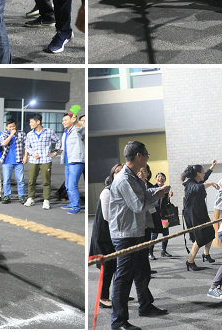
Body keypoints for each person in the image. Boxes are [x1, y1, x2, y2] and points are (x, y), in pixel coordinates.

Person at [109, 141, 170, 330]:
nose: (148, 158)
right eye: (146, 154)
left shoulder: (134, 177)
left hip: (137, 231)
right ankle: (118, 321)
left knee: (143, 271)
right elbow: (138, 205)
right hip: (125, 234)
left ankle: (145, 305)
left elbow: (143, 195)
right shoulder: (124, 179)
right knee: (124, 277)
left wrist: (157, 191)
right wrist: (158, 195)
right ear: (138, 156)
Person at [89, 164, 124, 309]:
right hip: (105, 234)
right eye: (117, 172)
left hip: (115, 233)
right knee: (107, 267)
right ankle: (103, 297)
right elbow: (107, 217)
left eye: (122, 172)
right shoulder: (107, 192)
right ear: (112, 175)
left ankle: (117, 293)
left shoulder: (121, 190)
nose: (120, 174)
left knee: (117, 266)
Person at [182, 161, 219, 270]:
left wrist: (212, 167)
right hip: (193, 214)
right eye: (202, 172)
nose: (204, 174)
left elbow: (205, 176)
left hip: (201, 212)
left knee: (211, 232)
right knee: (200, 237)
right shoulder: (190, 184)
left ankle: (206, 254)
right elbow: (198, 188)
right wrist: (211, 183)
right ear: (198, 174)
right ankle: (190, 261)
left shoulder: (198, 180)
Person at [23, 113, 59, 209]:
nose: (30, 124)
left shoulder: (49, 132)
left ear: (38, 122)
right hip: (33, 161)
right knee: (31, 181)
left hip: (46, 160)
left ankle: (46, 200)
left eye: (31, 122)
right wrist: (32, 153)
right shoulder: (29, 134)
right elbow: (27, 146)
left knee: (46, 181)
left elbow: (58, 141)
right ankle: (30, 198)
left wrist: (55, 153)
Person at [60, 112, 85, 214]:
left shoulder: (77, 130)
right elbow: (64, 147)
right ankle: (72, 203)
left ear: (72, 120)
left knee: (72, 185)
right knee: (67, 185)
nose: (63, 122)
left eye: (65, 120)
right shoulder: (65, 133)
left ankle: (76, 206)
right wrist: (56, 152)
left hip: (76, 161)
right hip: (67, 161)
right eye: (62, 120)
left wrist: (76, 123)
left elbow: (81, 129)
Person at [0, 118, 26, 204]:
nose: (12, 128)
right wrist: (11, 135)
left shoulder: (21, 133)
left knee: (20, 180)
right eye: (10, 127)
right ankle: (7, 196)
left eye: (13, 126)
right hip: (7, 161)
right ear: (7, 127)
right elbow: (4, 143)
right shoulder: (3, 134)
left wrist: (25, 156)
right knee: (6, 180)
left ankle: (22, 196)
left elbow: (26, 146)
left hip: (18, 161)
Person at [149, 172, 173, 258]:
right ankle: (150, 253)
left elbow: (166, 202)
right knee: (154, 234)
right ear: (156, 179)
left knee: (166, 233)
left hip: (164, 215)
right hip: (155, 215)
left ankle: (163, 251)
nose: (160, 178)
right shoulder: (153, 188)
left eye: (162, 177)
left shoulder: (166, 189)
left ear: (165, 179)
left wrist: (169, 195)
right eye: (158, 177)